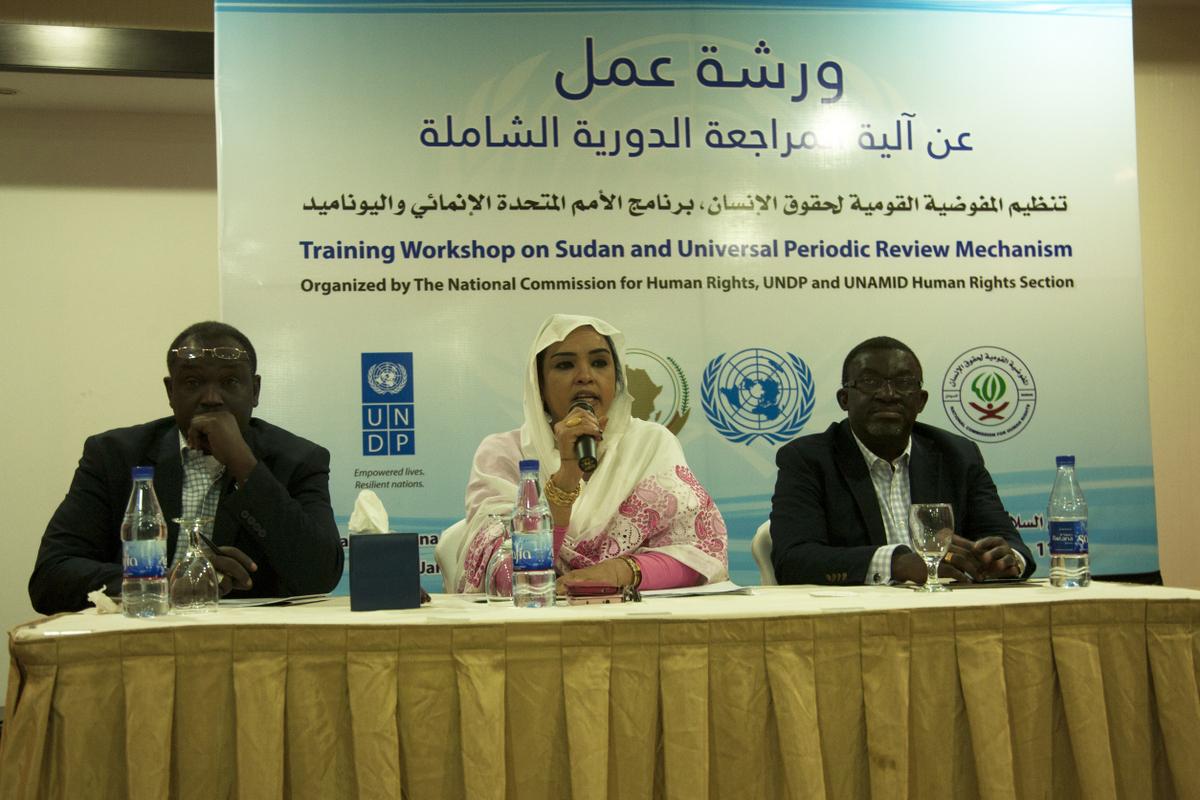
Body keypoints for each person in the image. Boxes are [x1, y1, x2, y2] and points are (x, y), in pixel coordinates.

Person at [30, 321, 344, 614]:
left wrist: (245, 465)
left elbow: (320, 576)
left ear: (255, 391)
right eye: (193, 382)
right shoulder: (114, 456)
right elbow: (50, 577)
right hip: (143, 638)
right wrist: (167, 583)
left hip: (252, 645)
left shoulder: (298, 460)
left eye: (231, 381)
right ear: (171, 392)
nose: (212, 398)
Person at [450, 314, 727, 593]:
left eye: (599, 363)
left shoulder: (650, 444)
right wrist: (566, 476)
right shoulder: (504, 455)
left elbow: (699, 556)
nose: (585, 376)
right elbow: (504, 576)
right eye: (565, 365)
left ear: (617, 379)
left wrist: (622, 571)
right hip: (537, 614)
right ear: (539, 385)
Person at [769, 336, 1035, 586]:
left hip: (947, 607)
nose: (888, 394)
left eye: (904, 383)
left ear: (921, 401)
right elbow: (793, 560)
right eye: (870, 381)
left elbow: (1009, 542)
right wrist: (895, 564)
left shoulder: (958, 455)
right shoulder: (808, 459)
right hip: (854, 612)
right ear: (844, 399)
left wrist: (1007, 560)